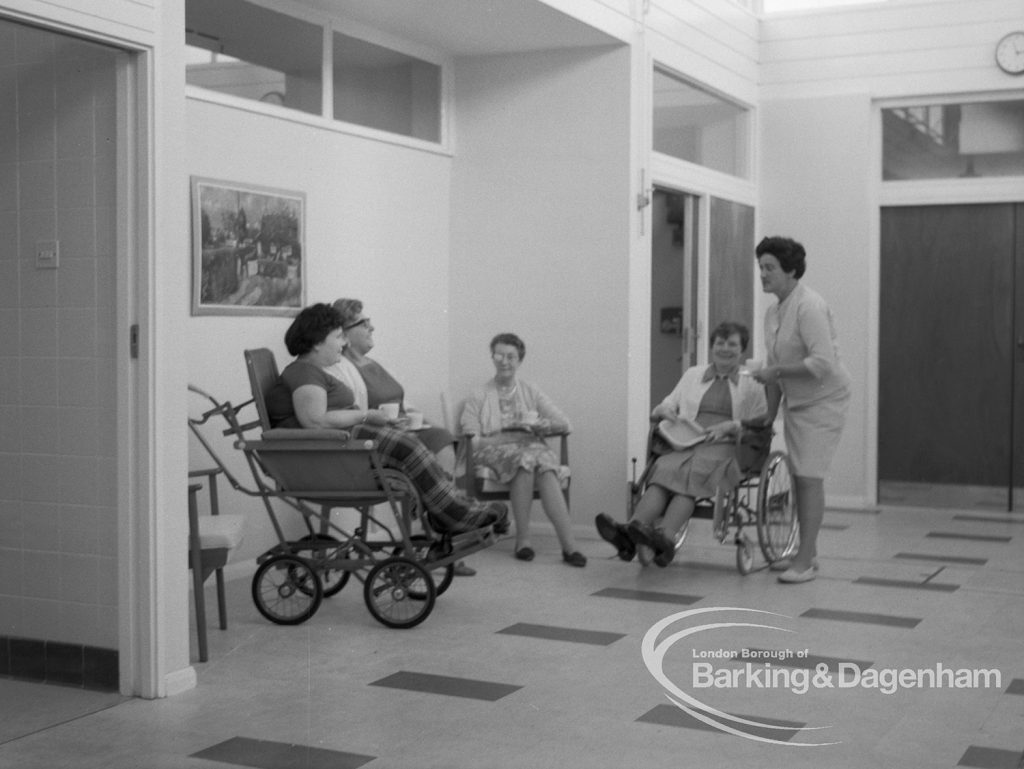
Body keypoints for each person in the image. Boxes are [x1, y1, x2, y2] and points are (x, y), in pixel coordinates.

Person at [274, 303, 508, 536]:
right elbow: (315, 421)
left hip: (346, 442)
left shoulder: (315, 371)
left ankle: (453, 512)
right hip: (337, 448)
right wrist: (366, 415)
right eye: (338, 337)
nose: (343, 343)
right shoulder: (305, 372)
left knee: (415, 446)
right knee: (410, 447)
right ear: (317, 342)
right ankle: (455, 514)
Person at [594, 322, 767, 567]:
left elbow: (760, 421)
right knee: (664, 467)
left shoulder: (752, 382)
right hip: (687, 440)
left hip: (727, 444)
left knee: (691, 474)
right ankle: (632, 530)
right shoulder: (694, 374)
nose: (724, 349)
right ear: (712, 346)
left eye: (732, 344)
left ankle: (663, 536)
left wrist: (733, 425)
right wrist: (665, 411)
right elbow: (666, 404)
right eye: (719, 343)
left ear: (742, 350)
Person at [326, 298, 475, 576]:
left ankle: (443, 530)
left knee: (442, 437)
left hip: (404, 429)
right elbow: (356, 415)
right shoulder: (342, 369)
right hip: (381, 441)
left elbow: (404, 404)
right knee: (428, 457)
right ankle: (439, 533)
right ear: (344, 334)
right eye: (363, 323)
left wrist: (424, 422)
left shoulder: (375, 364)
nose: (372, 327)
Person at [752, 236, 851, 584]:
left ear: (791, 270)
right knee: (800, 477)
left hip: (824, 401)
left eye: (770, 268)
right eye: (761, 267)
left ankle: (805, 560)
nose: (763, 274)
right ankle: (806, 551)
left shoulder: (809, 306)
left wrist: (776, 372)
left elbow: (821, 363)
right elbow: (774, 364)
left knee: (809, 478)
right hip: (798, 402)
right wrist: (769, 413)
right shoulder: (773, 312)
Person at [460, 333, 586, 567]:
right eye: (499, 355)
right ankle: (523, 540)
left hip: (530, 448)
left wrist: (541, 425)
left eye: (511, 356)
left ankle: (569, 545)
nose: (504, 361)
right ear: (492, 357)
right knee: (526, 460)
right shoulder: (479, 394)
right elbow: (472, 439)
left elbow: (565, 423)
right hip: (494, 450)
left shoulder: (530, 390)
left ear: (519, 360)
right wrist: (504, 438)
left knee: (545, 466)